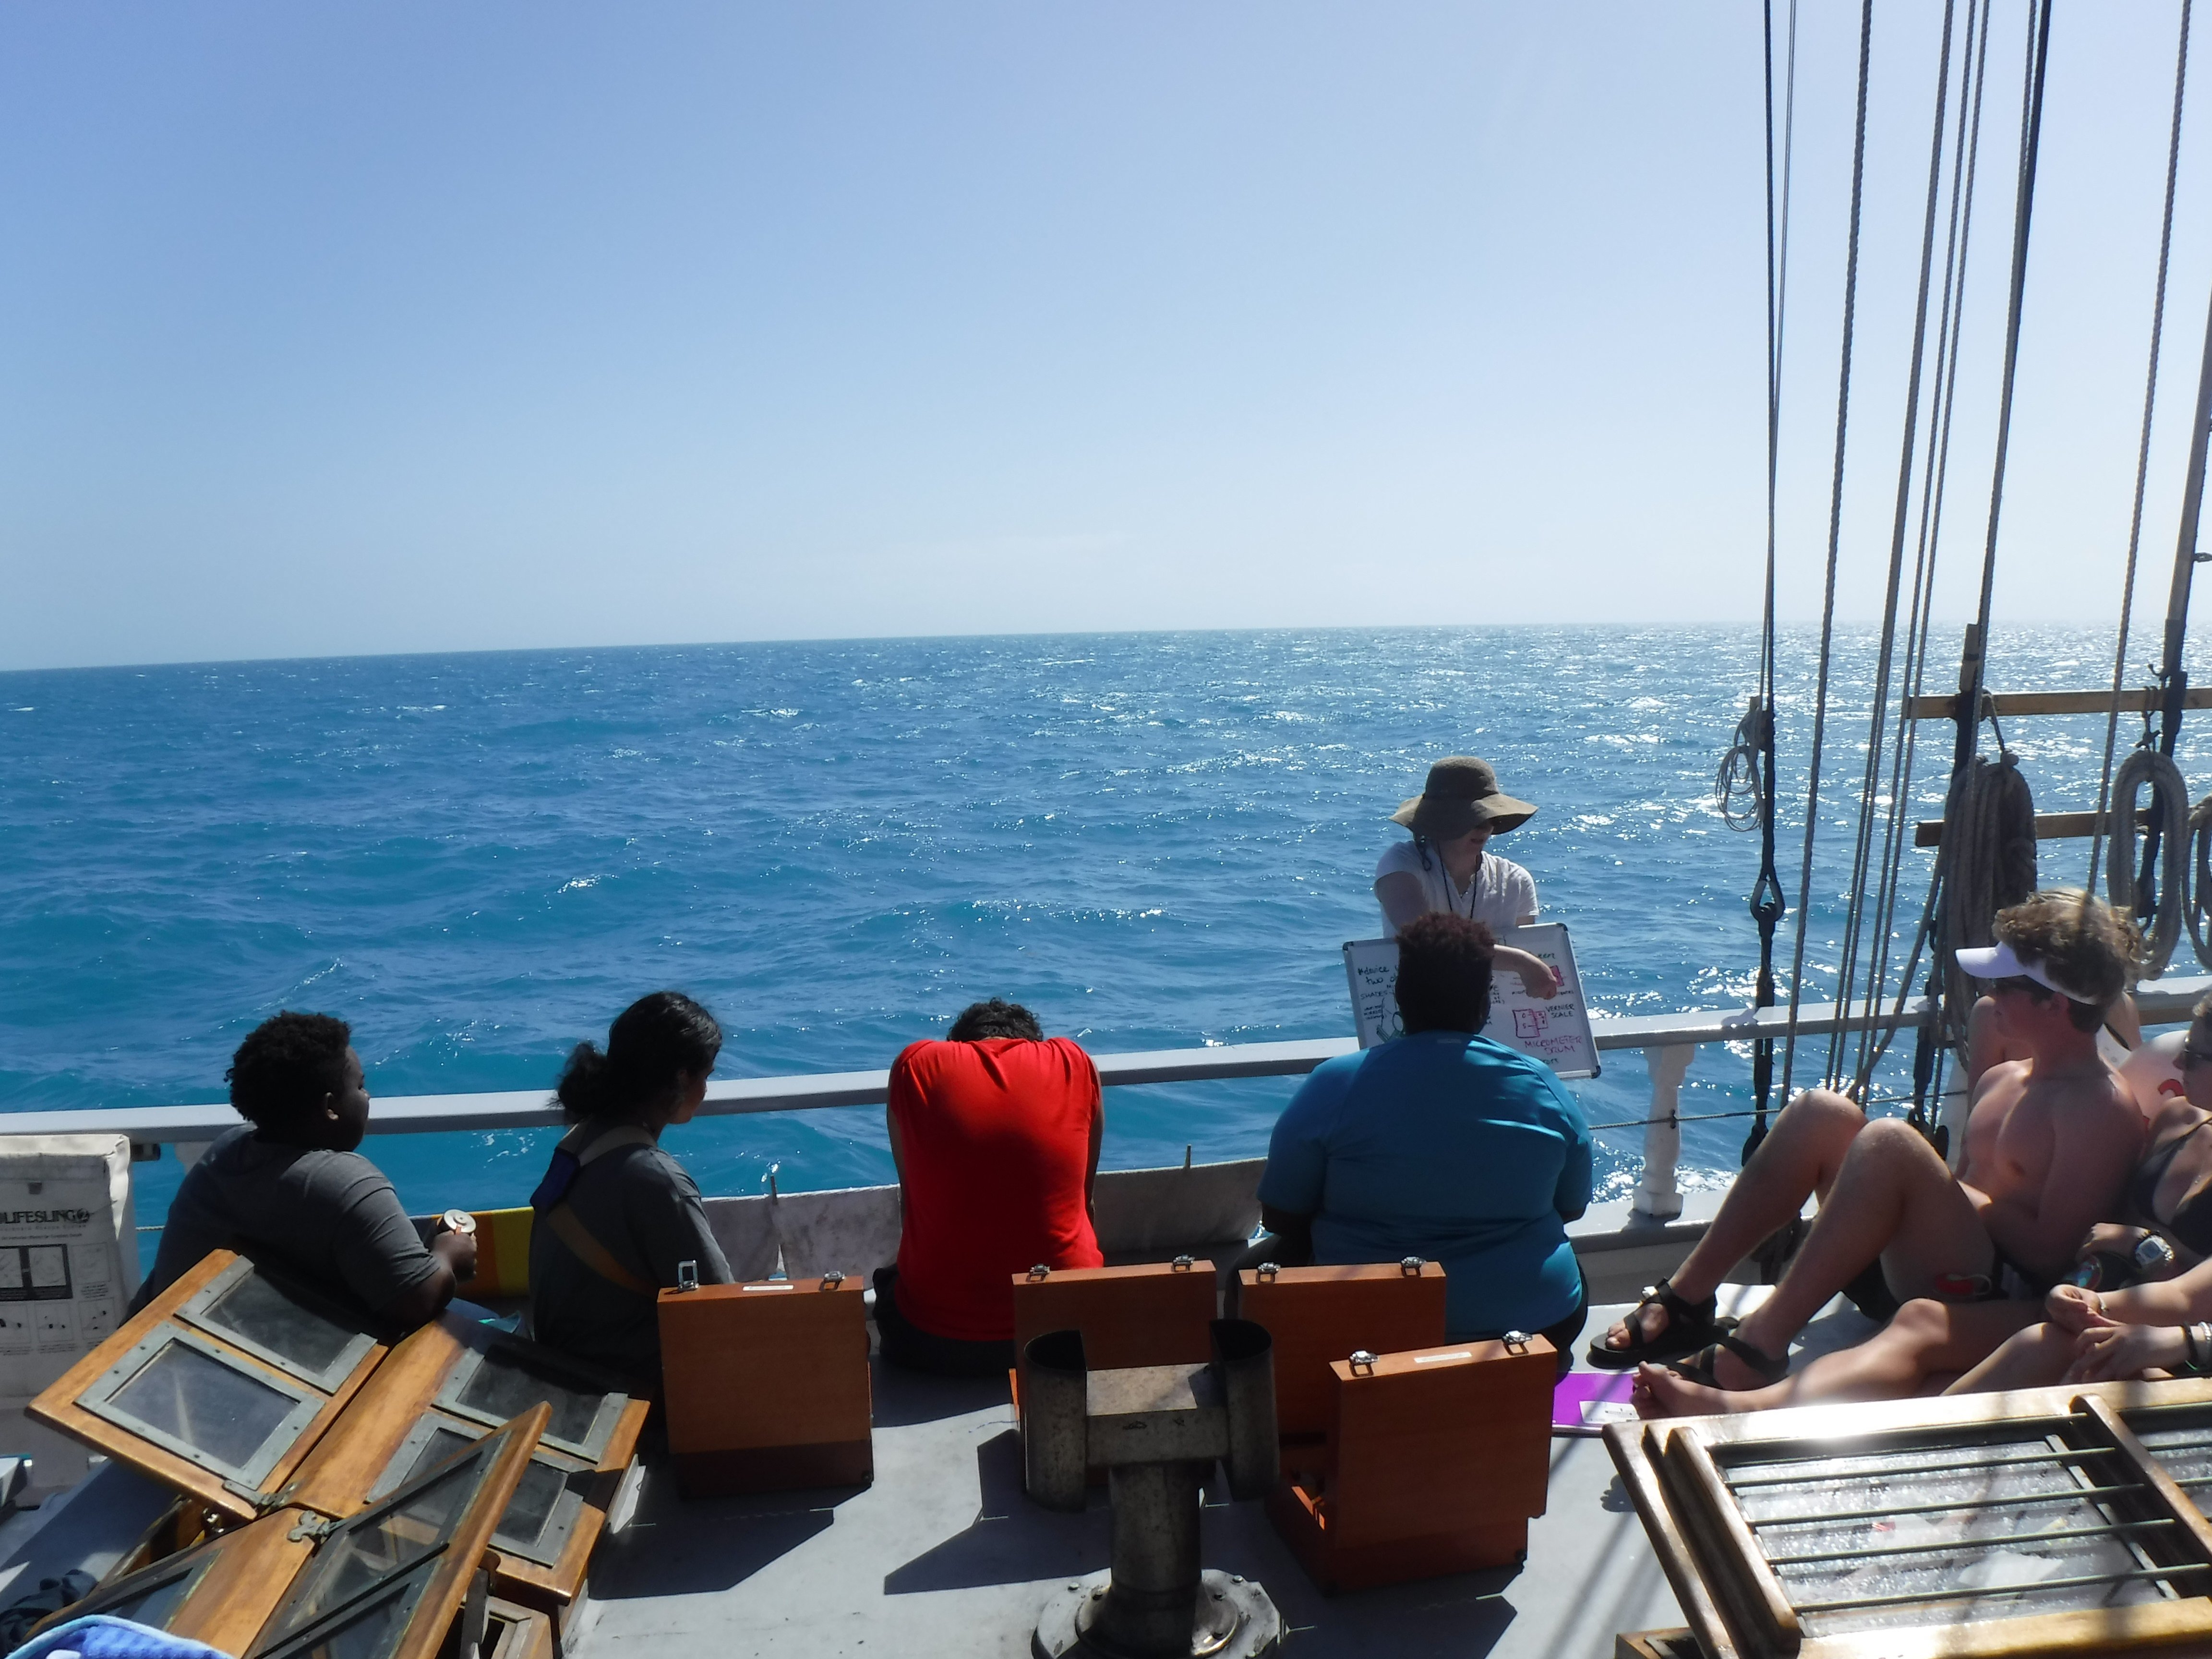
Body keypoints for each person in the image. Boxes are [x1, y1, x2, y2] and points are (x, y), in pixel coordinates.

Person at [1594, 889, 2145, 1393]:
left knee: (1888, 1142)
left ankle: (1760, 1346)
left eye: (2004, 984)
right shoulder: (2006, 1077)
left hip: (1992, 1300)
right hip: (1928, 1267)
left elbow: (2051, 1255)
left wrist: (1958, 1193)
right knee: (1822, 1114)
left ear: (2056, 1005)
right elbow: (1969, 1194)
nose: (1988, 993)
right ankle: (1687, 1299)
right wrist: (1951, 1193)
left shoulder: (2099, 1108)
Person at [1255, 912, 1593, 1371]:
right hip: (1533, 1326)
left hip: (1371, 1325)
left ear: (1400, 995)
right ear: (1482, 1006)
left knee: (1254, 1278)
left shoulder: (1336, 1083)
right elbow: (1571, 1207)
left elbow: (1281, 1214)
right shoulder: (1543, 1084)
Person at [132, 1011, 475, 1326]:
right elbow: (417, 1301)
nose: (367, 1097)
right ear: (330, 1108)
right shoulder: (349, 1183)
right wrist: (448, 1255)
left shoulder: (227, 1151)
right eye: (359, 1086)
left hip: (162, 1336)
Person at [874, 998, 1104, 1376]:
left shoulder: (915, 1065)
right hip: (1065, 1334)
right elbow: (1085, 1203)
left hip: (935, 1345)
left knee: (890, 1284)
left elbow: (910, 1204)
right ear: (1032, 1044)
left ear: (960, 1045)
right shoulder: (1074, 1062)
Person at [527, 991, 733, 1381]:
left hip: (558, 1362)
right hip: (622, 1386)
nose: (706, 1091)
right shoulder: (658, 1178)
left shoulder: (578, 1143)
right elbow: (719, 1304)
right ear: (682, 1077)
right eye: (706, 1076)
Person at [1375, 756, 1560, 1000]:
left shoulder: (1516, 880)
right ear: (1442, 821)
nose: (1484, 828)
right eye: (1472, 818)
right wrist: (1523, 962)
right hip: (1416, 1013)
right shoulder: (1400, 864)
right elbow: (1423, 939)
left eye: (1490, 818)